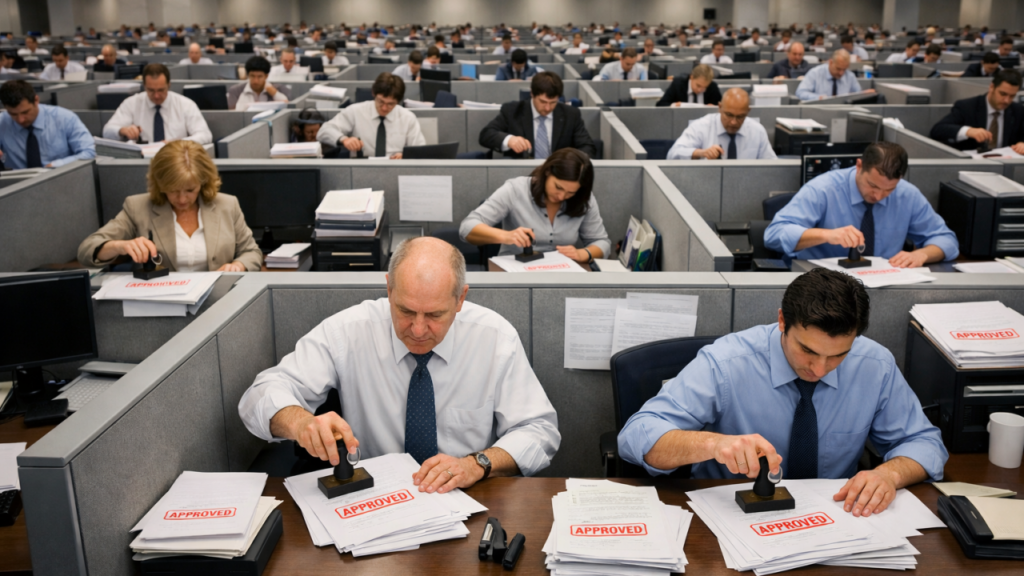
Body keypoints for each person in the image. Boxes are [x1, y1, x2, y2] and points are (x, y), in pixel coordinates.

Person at [618, 267, 948, 518]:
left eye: (837, 355)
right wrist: (711, 444)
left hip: (836, 518)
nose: (819, 369)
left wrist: (890, 473)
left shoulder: (874, 365)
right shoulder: (726, 363)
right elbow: (636, 435)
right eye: (808, 351)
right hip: (732, 514)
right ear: (782, 321)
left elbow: (924, 442)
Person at [238, 236, 560, 492]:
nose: (418, 330)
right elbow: (259, 396)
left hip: (467, 495)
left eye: (435, 315)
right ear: (389, 288)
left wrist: (477, 463)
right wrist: (299, 422)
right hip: (375, 499)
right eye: (405, 311)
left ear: (460, 299)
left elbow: (540, 431)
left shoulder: (494, 338)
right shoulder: (348, 332)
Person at [77, 140, 261, 272]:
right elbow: (86, 251)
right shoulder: (137, 207)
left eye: (190, 190)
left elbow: (251, 252)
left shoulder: (227, 205)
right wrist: (120, 246)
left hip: (218, 300)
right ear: (160, 184)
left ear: (203, 183)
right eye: (172, 190)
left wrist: (238, 265)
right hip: (162, 304)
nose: (182, 199)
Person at [765, 142, 958, 267]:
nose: (879, 196)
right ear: (859, 166)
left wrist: (922, 254)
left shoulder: (907, 194)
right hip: (822, 284)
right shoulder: (823, 189)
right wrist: (827, 235)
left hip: (883, 284)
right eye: (873, 185)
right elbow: (774, 234)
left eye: (889, 190)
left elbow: (946, 240)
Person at [461, 148, 609, 262]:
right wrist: (505, 236)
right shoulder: (516, 189)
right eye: (558, 187)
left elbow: (602, 242)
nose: (562, 196)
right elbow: (467, 228)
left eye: (571, 193)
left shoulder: (584, 198)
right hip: (516, 274)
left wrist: (583, 254)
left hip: (561, 274)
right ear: (547, 172)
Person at [479, 72, 596, 159]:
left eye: (553, 102)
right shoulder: (513, 111)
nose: (547, 108)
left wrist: (571, 161)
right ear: (532, 94)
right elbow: (486, 135)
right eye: (543, 102)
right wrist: (509, 139)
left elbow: (587, 147)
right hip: (521, 175)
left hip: (559, 175)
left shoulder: (571, 114)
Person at [317, 72, 424, 159]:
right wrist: (344, 139)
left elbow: (420, 150)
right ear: (373, 93)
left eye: (391, 104)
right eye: (381, 101)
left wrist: (406, 156)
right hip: (361, 169)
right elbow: (323, 131)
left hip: (396, 169)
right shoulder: (355, 111)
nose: (384, 108)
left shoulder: (408, 118)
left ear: (398, 101)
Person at [103, 64, 212, 145]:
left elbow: (205, 135)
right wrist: (123, 130)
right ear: (144, 86)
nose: (156, 96)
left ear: (169, 85)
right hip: (140, 163)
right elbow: (107, 132)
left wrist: (177, 144)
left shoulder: (185, 105)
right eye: (151, 90)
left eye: (161, 90)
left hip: (175, 161)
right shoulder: (132, 103)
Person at [0, 80, 95, 169]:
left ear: (36, 100)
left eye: (25, 112)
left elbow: (90, 152)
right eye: (13, 114)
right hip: (16, 184)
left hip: (60, 178)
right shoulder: (2, 122)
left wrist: (57, 165)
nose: (20, 120)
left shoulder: (64, 118)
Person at [930, 69, 1024, 153]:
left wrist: (1022, 143)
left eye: (1012, 96)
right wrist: (968, 131)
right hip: (972, 165)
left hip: (1006, 167)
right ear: (992, 87)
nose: (1007, 100)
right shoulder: (967, 107)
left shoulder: (1018, 111)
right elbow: (938, 130)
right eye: (1003, 94)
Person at [667, 88, 776, 160]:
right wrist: (700, 153)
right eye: (728, 115)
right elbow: (672, 155)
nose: (733, 122)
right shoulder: (701, 126)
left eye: (740, 117)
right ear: (719, 108)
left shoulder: (757, 131)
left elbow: (772, 166)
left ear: (748, 112)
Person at [795, 49, 872, 100]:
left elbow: (857, 96)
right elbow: (800, 92)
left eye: (844, 69)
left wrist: (864, 94)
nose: (841, 73)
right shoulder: (815, 73)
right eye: (838, 69)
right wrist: (819, 97)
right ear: (831, 62)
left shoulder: (850, 76)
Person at [656, 63, 721, 106]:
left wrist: (715, 108)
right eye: (698, 85)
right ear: (691, 77)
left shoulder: (712, 87)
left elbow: (722, 107)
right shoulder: (678, 85)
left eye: (705, 87)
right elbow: (660, 104)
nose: (700, 90)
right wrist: (673, 105)